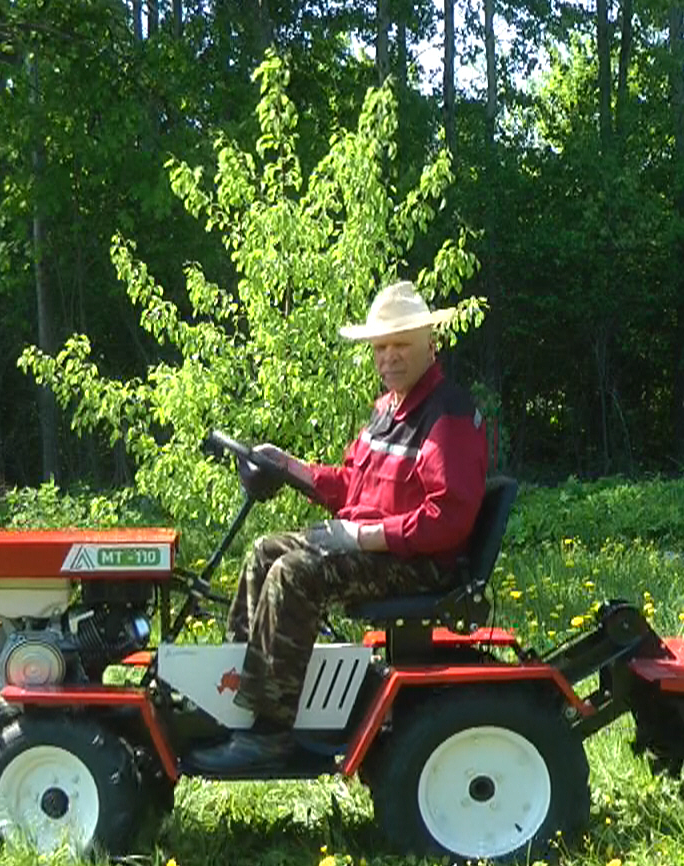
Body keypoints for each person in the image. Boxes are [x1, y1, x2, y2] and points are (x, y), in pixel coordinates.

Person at [187, 282, 488, 771]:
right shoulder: (389, 408)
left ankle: (270, 731)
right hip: (374, 547)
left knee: (295, 572)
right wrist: (289, 466)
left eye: (400, 346)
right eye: (381, 347)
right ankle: (238, 692)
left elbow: (447, 518)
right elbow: (352, 485)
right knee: (265, 551)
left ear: (430, 345)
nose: (388, 357)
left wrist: (365, 536)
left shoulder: (446, 417)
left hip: (420, 563)